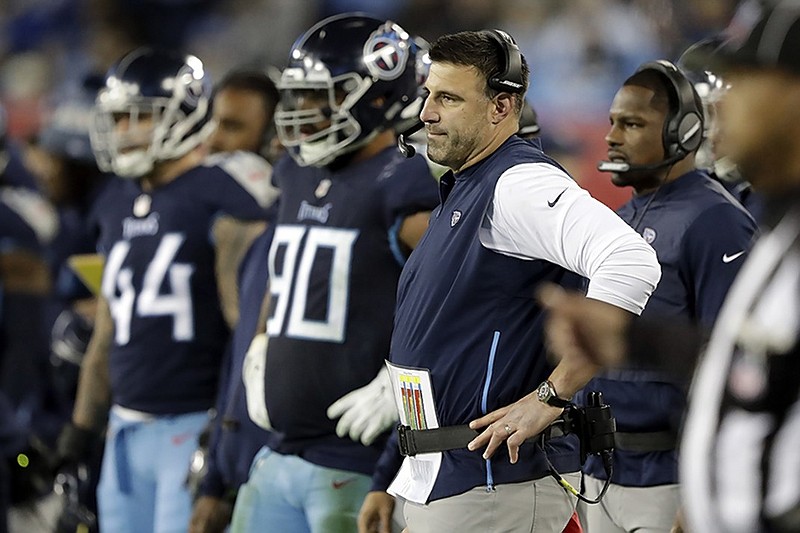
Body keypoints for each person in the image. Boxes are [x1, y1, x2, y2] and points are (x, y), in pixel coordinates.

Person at [359, 29, 662, 533]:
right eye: (428, 95)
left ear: (502, 107)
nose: (427, 113)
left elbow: (631, 260)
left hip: (493, 482)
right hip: (453, 476)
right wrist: (395, 474)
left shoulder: (518, 182)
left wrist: (552, 396)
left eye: (449, 99)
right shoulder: (468, 185)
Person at [538, 3, 800, 531]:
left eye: (745, 81)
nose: (721, 109)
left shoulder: (720, 217)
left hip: (676, 478)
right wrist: (635, 343)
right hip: (623, 468)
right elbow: (749, 361)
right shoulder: (779, 221)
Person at [228, 13, 439, 533]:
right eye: (299, 97)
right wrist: (262, 343)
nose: (302, 112)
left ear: (376, 97)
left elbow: (461, 295)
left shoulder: (404, 180)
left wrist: (404, 381)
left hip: (355, 464)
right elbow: (284, 279)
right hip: (278, 453)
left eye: (320, 97)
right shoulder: (297, 172)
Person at [55, 47, 277, 533]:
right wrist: (81, 428)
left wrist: (230, 431)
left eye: (140, 117)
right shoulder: (115, 201)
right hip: (125, 425)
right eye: (119, 119)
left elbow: (249, 333)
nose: (125, 132)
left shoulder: (226, 193)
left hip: (195, 421)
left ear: (185, 115)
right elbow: (107, 334)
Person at [580, 59, 758, 533]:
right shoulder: (620, 216)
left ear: (684, 132)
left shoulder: (717, 220)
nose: (612, 137)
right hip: (601, 471)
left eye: (632, 124)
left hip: (668, 476)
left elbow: (731, 362)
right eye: (613, 122)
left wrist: (707, 484)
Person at [188, 68, 279, 533]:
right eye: (214, 124)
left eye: (234, 126)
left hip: (269, 442)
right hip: (223, 426)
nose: (216, 141)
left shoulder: (270, 218)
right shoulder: (200, 205)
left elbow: (241, 327)